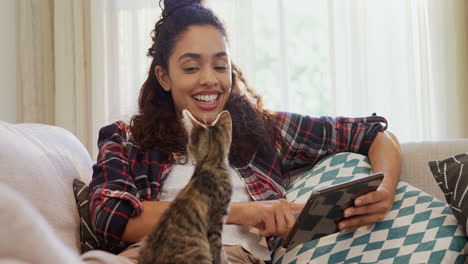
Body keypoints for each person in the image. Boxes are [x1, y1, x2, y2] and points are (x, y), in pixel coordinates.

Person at [89, 0, 402, 263]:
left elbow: (373, 133)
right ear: (164, 76)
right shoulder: (126, 138)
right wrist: (243, 212)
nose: (210, 79)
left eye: (220, 66)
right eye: (191, 67)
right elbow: (112, 217)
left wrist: (385, 190)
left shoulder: (263, 131)